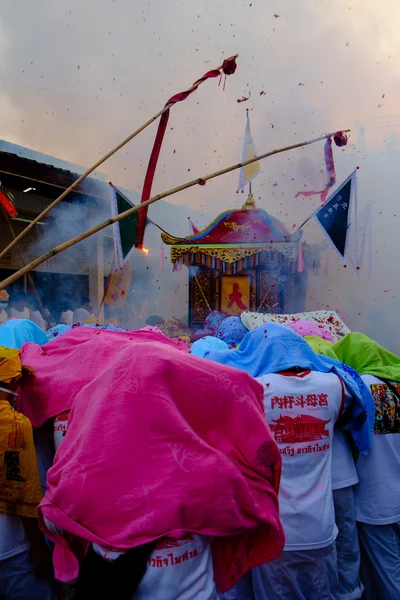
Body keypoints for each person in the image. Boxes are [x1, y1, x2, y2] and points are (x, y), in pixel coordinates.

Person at [198, 324, 373, 600]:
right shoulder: (333, 386)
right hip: (322, 529)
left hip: (275, 534)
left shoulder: (252, 390)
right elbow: (354, 407)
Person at [0, 346, 56, 599]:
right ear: (11, 381)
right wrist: (38, 548)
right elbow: (22, 488)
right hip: (10, 544)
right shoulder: (14, 424)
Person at [355, 375, 400, 600]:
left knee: (389, 577)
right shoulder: (395, 383)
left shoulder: (357, 384)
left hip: (375, 500)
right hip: (392, 492)